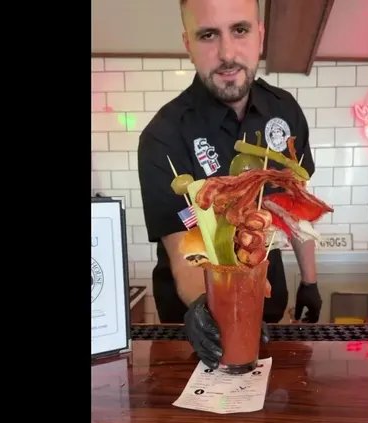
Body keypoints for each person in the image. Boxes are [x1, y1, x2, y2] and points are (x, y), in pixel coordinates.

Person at [138, 0, 322, 368]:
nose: (226, 53)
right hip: (191, 318)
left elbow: (295, 206)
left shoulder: (285, 112)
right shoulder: (163, 135)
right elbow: (181, 250)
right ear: (188, 43)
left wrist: (310, 281)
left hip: (267, 301)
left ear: (260, 35)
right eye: (208, 35)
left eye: (240, 30)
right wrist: (203, 308)